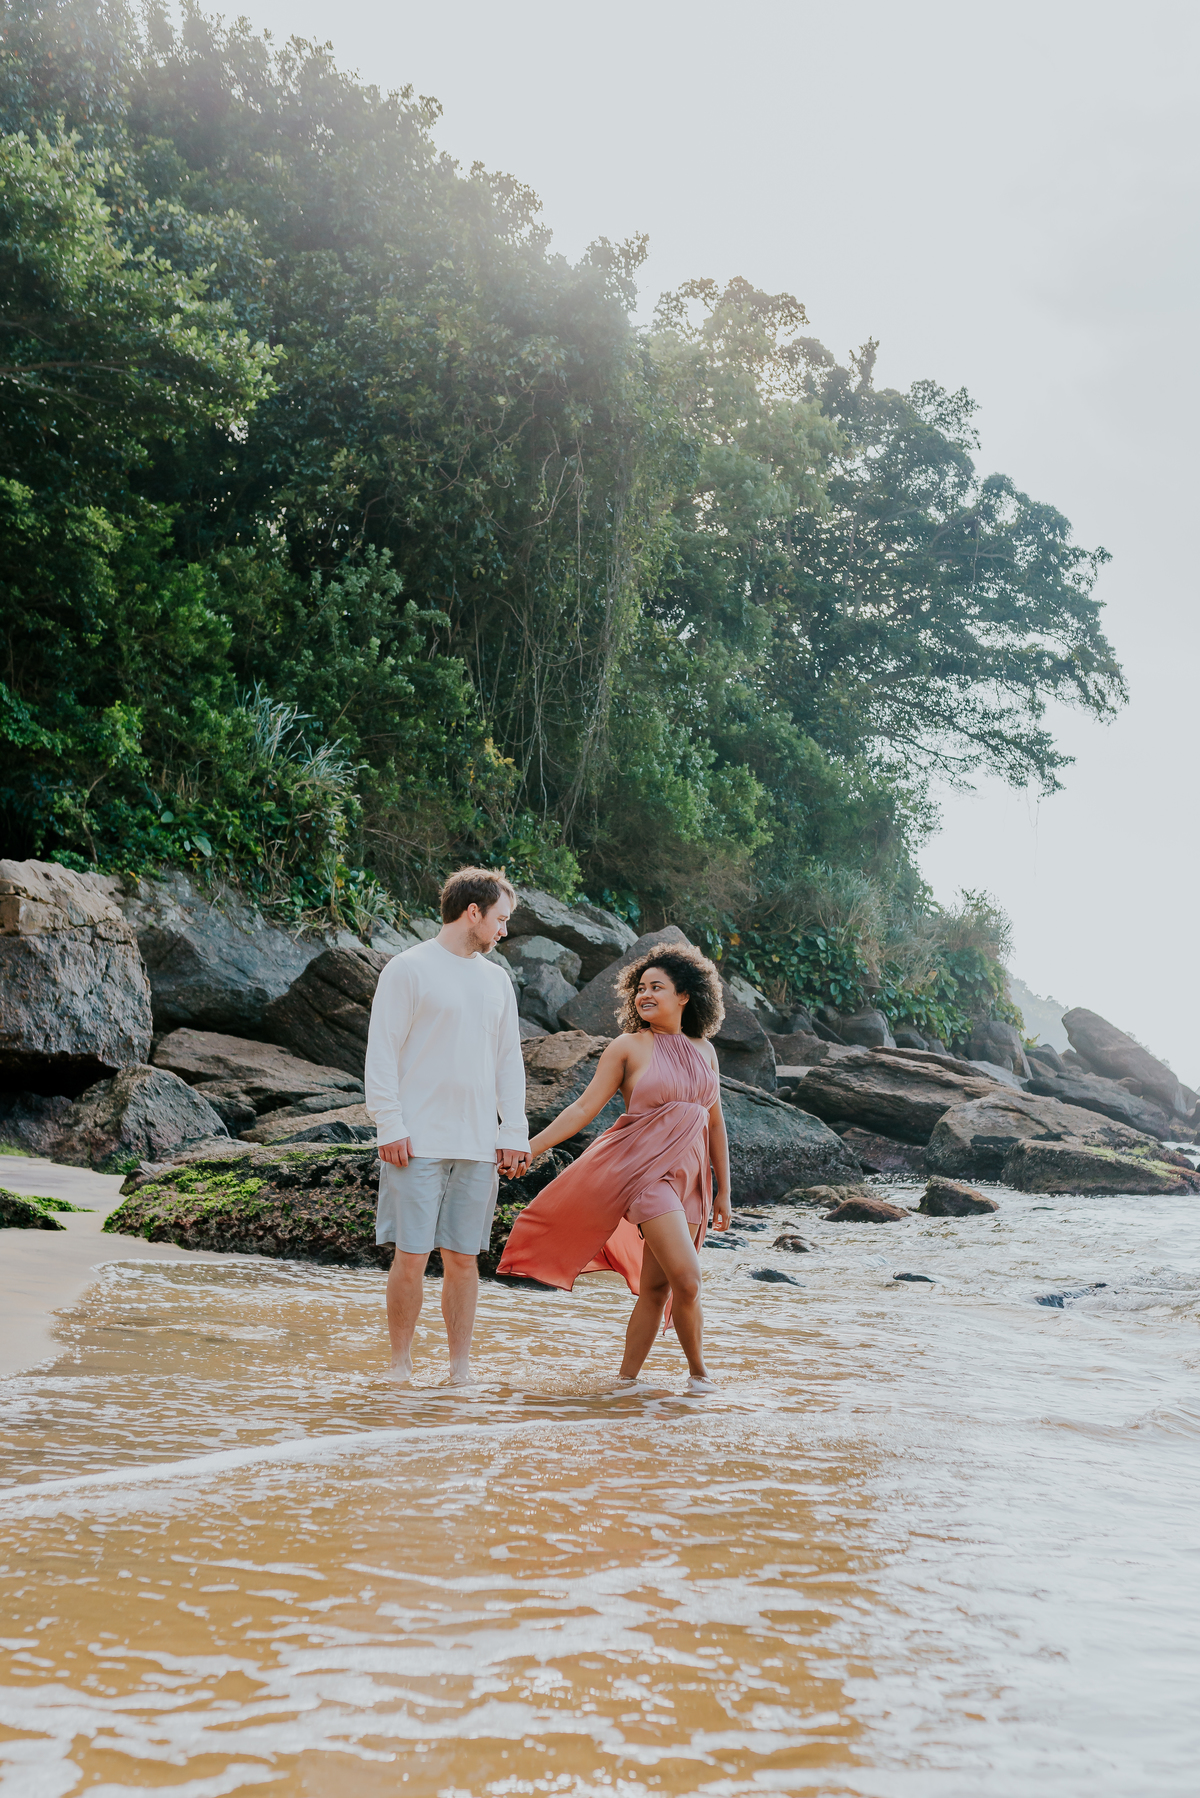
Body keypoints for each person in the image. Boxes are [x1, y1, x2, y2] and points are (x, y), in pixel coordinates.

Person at [498, 944, 731, 1391]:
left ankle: (625, 1383)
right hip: (644, 1176)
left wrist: (723, 1190)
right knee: (688, 1276)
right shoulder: (628, 1046)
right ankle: (701, 1377)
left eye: (656, 987)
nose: (645, 995)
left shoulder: (705, 1051)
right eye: (640, 988)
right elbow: (584, 1107)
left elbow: (715, 1123)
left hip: (693, 1180)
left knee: (658, 1288)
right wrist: (531, 1147)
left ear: (685, 995)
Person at [364, 867, 530, 1384]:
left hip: (479, 1144)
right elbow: (382, 1053)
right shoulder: (408, 968)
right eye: (500, 919)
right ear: (473, 912)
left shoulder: (497, 980)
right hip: (415, 1141)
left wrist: (513, 1131)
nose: (504, 930)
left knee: (464, 1260)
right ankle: (400, 1366)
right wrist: (388, 1124)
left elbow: (509, 1061)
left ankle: (460, 1370)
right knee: (410, 1257)